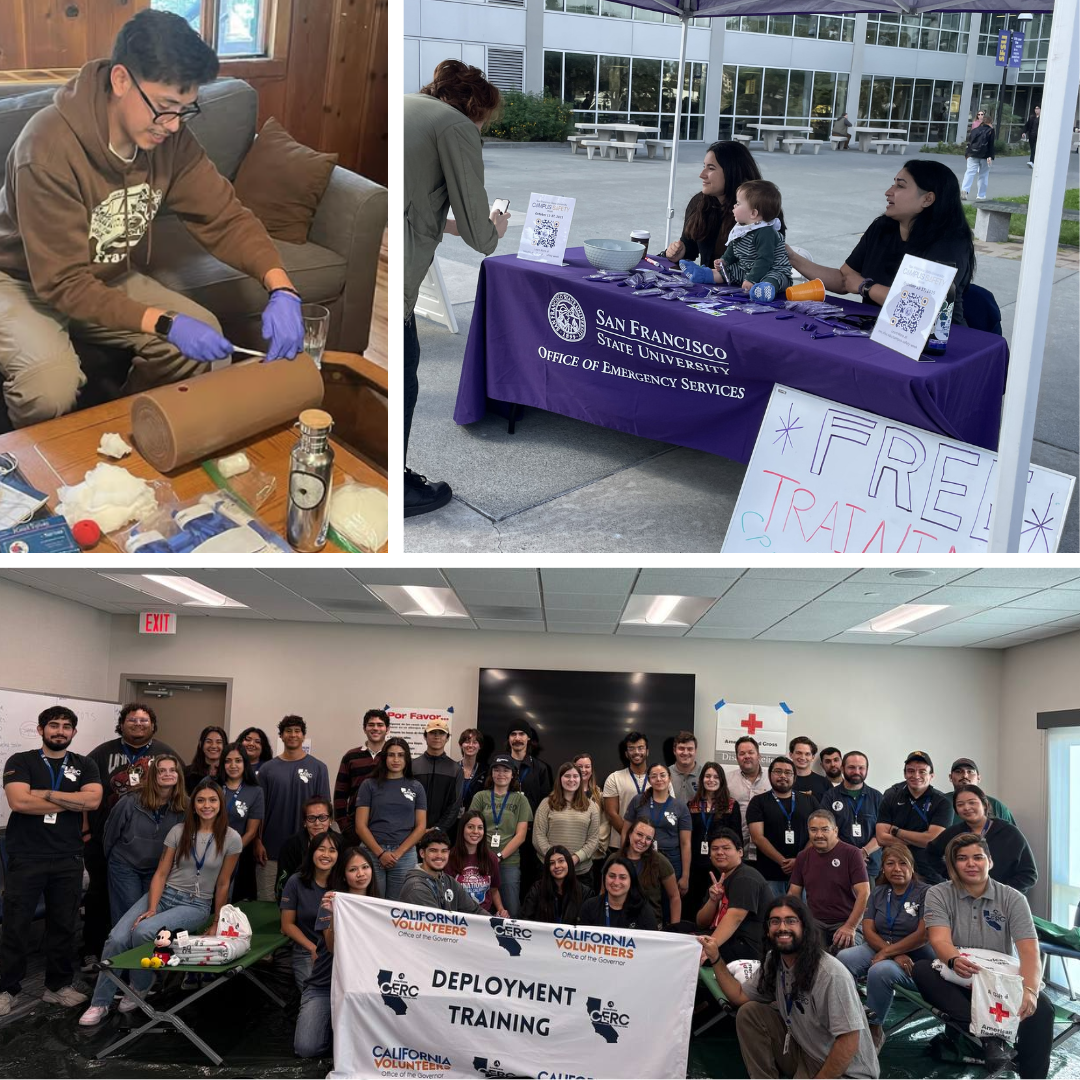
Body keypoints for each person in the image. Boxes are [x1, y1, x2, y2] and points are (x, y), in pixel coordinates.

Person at [0, 8, 304, 429]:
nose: (174, 125)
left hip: (102, 276)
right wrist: (164, 323)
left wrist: (282, 288)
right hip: (22, 280)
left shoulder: (169, 140)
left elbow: (225, 216)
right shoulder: (47, 149)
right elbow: (63, 283)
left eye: (186, 109)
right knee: (49, 388)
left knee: (197, 336)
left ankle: (127, 435)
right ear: (121, 80)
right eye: (164, 107)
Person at [404, 60, 509, 516]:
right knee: (405, 373)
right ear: (475, 107)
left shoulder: (408, 106)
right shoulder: (456, 126)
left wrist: (444, 226)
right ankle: (399, 484)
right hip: (401, 265)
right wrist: (495, 228)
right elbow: (478, 232)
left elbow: (416, 197)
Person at [79, 778, 241, 1025]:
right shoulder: (179, 831)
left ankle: (139, 984)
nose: (206, 805)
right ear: (193, 805)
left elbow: (223, 884)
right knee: (116, 938)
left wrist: (216, 920)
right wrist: (153, 907)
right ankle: (99, 1003)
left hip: (195, 904)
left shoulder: (231, 838)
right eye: (200, 800)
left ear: (220, 803)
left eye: (212, 800)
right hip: (164, 895)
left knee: (143, 932)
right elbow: (161, 874)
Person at [913, 833, 1053, 1077]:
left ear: (990, 861)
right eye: (962, 858)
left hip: (999, 983)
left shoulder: (1013, 898)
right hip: (960, 977)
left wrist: (1030, 991)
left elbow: (1029, 950)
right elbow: (939, 939)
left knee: (1043, 1008)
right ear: (953, 865)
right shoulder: (938, 893)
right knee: (923, 970)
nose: (970, 863)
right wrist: (954, 960)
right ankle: (992, 1039)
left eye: (978, 857)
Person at [703, 895, 879, 1079]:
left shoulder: (830, 974)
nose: (782, 928)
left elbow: (849, 1040)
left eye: (791, 921)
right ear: (768, 930)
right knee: (749, 1013)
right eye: (775, 921)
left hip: (845, 1071)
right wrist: (715, 958)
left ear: (805, 926)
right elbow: (738, 996)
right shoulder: (774, 960)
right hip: (806, 1052)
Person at [0, 706, 102, 1016]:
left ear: (73, 732)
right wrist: (71, 800)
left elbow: (93, 800)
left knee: (63, 925)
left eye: (66, 726)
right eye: (53, 725)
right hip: (26, 856)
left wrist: (45, 794)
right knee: (15, 926)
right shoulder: (21, 761)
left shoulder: (85, 764)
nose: (60, 730)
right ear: (41, 730)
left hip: (68, 857)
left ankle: (57, 987)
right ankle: (7, 989)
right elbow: (18, 801)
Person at [787, 160, 976, 325]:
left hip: (937, 342)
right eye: (892, 184)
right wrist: (792, 258)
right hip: (878, 329)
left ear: (928, 199)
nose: (888, 192)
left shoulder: (950, 243)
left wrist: (866, 288)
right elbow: (845, 280)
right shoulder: (883, 228)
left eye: (900, 186)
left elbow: (921, 305)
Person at [82, 701, 181, 969]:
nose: (138, 725)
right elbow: (86, 792)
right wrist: (88, 831)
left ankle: (145, 961)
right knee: (99, 896)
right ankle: (95, 951)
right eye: (132, 720)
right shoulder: (101, 754)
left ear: (153, 725)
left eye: (144, 721)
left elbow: (180, 795)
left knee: (148, 906)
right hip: (108, 840)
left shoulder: (166, 754)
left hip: (153, 850)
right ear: (122, 724)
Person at [837, 843, 934, 1052]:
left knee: (880, 970)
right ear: (883, 868)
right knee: (842, 959)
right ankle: (850, 1017)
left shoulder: (927, 893)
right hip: (882, 948)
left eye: (902, 863)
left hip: (916, 959)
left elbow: (924, 935)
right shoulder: (880, 891)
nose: (896, 869)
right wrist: (892, 953)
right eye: (890, 863)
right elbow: (868, 929)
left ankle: (874, 1027)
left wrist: (890, 954)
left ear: (912, 866)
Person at [294, 847, 379, 1059]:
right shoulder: (331, 901)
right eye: (353, 869)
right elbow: (332, 948)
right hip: (325, 985)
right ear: (343, 874)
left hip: (364, 989)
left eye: (365, 867)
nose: (361, 874)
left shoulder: (381, 905)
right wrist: (334, 916)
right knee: (307, 1048)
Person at [103, 752, 187, 924]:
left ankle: (145, 951)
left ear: (179, 775)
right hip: (125, 866)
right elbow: (110, 834)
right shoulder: (130, 801)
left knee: (149, 915)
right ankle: (122, 950)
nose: (167, 774)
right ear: (153, 776)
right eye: (161, 771)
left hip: (158, 870)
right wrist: (113, 860)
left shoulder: (185, 805)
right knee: (128, 916)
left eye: (172, 770)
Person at [254, 715, 330, 902]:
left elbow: (325, 812)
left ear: (303, 736)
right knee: (268, 900)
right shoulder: (267, 770)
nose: (293, 735)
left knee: (306, 901)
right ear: (281, 736)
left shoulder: (319, 768)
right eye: (288, 731)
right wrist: (257, 841)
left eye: (297, 731)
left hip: (310, 849)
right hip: (272, 848)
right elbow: (257, 811)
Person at [663, 141, 766, 270]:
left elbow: (765, 262)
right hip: (709, 284)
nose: (702, 175)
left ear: (732, 172)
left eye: (711, 168)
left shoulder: (762, 208)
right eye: (704, 166)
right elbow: (690, 246)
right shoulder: (699, 202)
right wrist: (679, 252)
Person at [692, 180, 792, 302]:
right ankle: (704, 274)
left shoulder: (766, 233)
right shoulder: (743, 228)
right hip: (747, 269)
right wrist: (725, 260)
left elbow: (764, 259)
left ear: (753, 213)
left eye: (738, 204)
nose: (734, 206)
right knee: (730, 271)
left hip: (770, 269)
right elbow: (733, 247)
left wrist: (752, 279)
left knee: (774, 278)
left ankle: (765, 290)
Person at [354, 737, 428, 900]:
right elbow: (360, 826)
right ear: (384, 758)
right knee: (373, 903)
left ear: (407, 759)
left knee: (399, 906)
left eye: (401, 755)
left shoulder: (416, 787)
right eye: (391, 755)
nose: (396, 760)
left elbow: (421, 826)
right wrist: (381, 854)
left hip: (405, 854)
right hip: (372, 852)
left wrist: (398, 854)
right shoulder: (369, 785)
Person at [927, 785, 1037, 894]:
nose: (966, 808)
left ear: (984, 804)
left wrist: (1001, 892)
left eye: (972, 802)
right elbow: (930, 853)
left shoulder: (1009, 832)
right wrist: (952, 875)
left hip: (1002, 902)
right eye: (960, 804)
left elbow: (1029, 874)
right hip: (964, 898)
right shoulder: (954, 833)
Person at [789, 809, 870, 954]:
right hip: (815, 922)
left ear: (835, 830)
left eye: (825, 829)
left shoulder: (852, 853)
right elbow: (793, 893)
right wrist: (796, 922)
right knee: (803, 954)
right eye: (813, 830)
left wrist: (850, 926)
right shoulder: (802, 857)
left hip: (847, 921)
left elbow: (864, 893)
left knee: (845, 956)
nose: (819, 835)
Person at [467, 754, 532, 917]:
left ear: (513, 774)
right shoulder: (480, 797)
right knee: (479, 907)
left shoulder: (520, 800)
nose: (501, 774)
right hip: (480, 861)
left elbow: (521, 835)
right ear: (491, 773)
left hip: (508, 862)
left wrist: (498, 857)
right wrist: (485, 857)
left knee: (511, 910)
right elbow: (470, 828)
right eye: (496, 770)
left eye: (505, 770)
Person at [746, 756, 820, 896]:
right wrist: (783, 861)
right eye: (778, 771)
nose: (783, 776)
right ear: (769, 775)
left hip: (804, 874)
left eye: (788, 772)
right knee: (772, 915)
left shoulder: (810, 800)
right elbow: (757, 837)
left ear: (794, 776)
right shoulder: (758, 802)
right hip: (770, 874)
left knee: (801, 916)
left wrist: (799, 860)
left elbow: (819, 833)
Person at [875, 751, 951, 885]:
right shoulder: (890, 799)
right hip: (895, 872)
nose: (916, 775)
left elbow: (932, 840)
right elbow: (881, 838)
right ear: (905, 774)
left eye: (922, 771)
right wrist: (919, 839)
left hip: (929, 874)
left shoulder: (942, 802)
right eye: (911, 771)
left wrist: (897, 831)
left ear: (931, 776)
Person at [694, 827, 768, 962]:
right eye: (715, 849)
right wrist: (713, 900)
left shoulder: (745, 877)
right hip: (727, 939)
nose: (720, 852)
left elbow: (736, 917)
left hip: (746, 946)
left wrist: (707, 951)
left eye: (726, 848)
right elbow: (701, 922)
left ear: (740, 852)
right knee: (676, 930)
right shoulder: (720, 880)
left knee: (685, 948)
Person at [280, 831, 342, 989]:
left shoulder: (343, 884)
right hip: (306, 949)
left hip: (339, 950)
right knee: (314, 993)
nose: (326, 855)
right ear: (311, 851)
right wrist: (312, 948)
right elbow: (287, 925)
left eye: (332, 850)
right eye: (321, 849)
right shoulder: (296, 881)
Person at [624, 762, 692, 898]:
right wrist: (624, 859)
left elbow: (686, 843)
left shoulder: (680, 807)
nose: (659, 779)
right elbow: (626, 832)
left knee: (669, 900)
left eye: (662, 775)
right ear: (649, 780)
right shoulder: (638, 801)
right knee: (640, 898)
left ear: (670, 778)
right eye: (654, 776)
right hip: (641, 856)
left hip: (671, 860)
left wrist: (685, 875)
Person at [533, 761, 601, 883]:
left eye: (575, 776)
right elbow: (538, 837)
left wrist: (575, 858)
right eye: (567, 776)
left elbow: (594, 840)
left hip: (581, 872)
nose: (571, 780)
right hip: (550, 869)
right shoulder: (546, 804)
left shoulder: (591, 807)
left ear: (581, 779)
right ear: (560, 779)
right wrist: (557, 860)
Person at [687, 761, 742, 904]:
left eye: (716, 777)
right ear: (701, 779)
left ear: (721, 780)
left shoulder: (731, 805)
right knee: (695, 902)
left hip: (721, 863)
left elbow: (737, 838)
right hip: (696, 863)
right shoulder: (692, 804)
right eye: (707, 776)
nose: (711, 780)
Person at [824, 751, 883, 880]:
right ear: (842, 768)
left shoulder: (877, 797)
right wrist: (851, 854)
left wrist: (864, 852)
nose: (857, 771)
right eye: (851, 767)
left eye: (861, 767)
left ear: (867, 769)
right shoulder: (830, 796)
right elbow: (825, 830)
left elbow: (883, 833)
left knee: (867, 900)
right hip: (838, 862)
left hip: (869, 865)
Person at [332, 708, 389, 838]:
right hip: (355, 828)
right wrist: (344, 826)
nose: (375, 728)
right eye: (371, 725)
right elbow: (340, 794)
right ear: (364, 729)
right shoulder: (351, 756)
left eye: (380, 725)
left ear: (387, 729)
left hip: (387, 828)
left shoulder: (394, 757)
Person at [398, 828, 486, 913]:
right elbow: (436, 923)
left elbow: (475, 911)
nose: (439, 856)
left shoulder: (449, 881)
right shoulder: (416, 887)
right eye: (433, 851)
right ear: (422, 853)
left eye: (444, 851)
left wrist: (495, 923)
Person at [614, 819, 681, 927]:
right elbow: (603, 895)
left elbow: (675, 897)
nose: (643, 840)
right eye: (639, 834)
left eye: (648, 838)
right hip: (619, 924)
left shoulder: (660, 861)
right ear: (630, 833)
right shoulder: (614, 859)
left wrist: (675, 930)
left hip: (650, 926)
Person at [219, 743, 264, 901]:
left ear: (245, 763)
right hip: (207, 850)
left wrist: (230, 851)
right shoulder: (213, 785)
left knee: (225, 897)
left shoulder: (255, 791)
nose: (233, 765)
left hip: (234, 853)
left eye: (238, 761)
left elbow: (251, 832)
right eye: (228, 761)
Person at [275, 797, 337, 900]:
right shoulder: (290, 846)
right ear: (304, 822)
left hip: (333, 901)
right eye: (311, 818)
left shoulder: (341, 844)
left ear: (330, 820)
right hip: (299, 902)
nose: (317, 823)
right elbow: (282, 884)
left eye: (322, 817)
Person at [447, 810, 508, 914]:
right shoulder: (449, 857)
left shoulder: (491, 858)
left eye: (480, 827)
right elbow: (447, 893)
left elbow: (494, 890)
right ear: (462, 829)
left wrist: (501, 910)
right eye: (470, 827)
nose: (475, 831)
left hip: (484, 916)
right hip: (458, 916)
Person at [602, 731, 651, 858]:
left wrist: (644, 839)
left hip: (650, 845)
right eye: (631, 748)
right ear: (626, 753)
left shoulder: (659, 778)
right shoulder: (614, 778)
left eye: (641, 748)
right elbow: (611, 813)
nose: (636, 752)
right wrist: (631, 838)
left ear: (647, 751)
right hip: (620, 844)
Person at [578, 856, 658, 931]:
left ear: (631, 880)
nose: (616, 882)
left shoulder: (643, 910)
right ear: (604, 878)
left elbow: (652, 943)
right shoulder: (589, 906)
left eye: (622, 877)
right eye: (612, 876)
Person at [725, 735, 771, 864]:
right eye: (742, 753)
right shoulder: (727, 780)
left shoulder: (772, 779)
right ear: (737, 757)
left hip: (768, 850)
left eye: (751, 752)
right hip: (737, 849)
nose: (747, 756)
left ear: (759, 755)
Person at [414, 718, 463, 835]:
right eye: (432, 733)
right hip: (412, 834)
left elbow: (454, 805)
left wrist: (438, 828)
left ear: (447, 738)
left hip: (442, 835)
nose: (437, 736)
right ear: (425, 737)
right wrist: (416, 829)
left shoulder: (455, 769)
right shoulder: (412, 766)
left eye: (441, 733)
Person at [521, 845, 593, 924]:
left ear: (569, 863)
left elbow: (588, 925)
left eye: (561, 861)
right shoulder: (537, 889)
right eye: (552, 863)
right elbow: (526, 919)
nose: (556, 866)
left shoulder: (585, 892)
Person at [946, 758, 1015, 826]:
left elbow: (1012, 835)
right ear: (950, 777)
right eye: (958, 771)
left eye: (970, 771)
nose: (965, 775)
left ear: (979, 778)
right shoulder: (941, 802)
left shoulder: (996, 806)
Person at [961, 109, 995, 201]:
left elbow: (970, 142)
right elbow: (991, 145)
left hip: (972, 154)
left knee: (969, 173)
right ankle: (981, 195)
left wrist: (967, 154)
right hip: (984, 156)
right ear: (990, 122)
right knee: (983, 175)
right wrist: (990, 156)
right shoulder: (990, 131)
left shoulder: (975, 130)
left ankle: (964, 190)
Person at [789, 736, 833, 800]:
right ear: (791, 755)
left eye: (807, 754)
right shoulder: (784, 781)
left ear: (813, 757)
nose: (803, 757)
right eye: (799, 753)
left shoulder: (825, 783)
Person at [184, 724, 226, 791]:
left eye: (219, 742)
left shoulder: (229, 774)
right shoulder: (187, 773)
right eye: (209, 741)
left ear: (225, 746)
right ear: (201, 744)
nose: (214, 746)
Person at [456, 727, 488, 813]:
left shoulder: (485, 771)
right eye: (467, 742)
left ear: (480, 746)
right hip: (452, 818)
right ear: (461, 745)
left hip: (476, 818)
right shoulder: (452, 768)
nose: (470, 745)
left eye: (475, 742)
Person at [669, 730, 700, 804]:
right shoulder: (665, 774)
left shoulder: (705, 774)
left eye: (690, 749)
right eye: (681, 748)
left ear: (695, 751)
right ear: (674, 751)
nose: (685, 753)